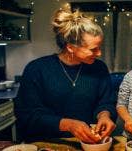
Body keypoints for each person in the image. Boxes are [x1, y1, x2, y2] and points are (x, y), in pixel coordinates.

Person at [14, 5, 116, 143]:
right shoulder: (36, 69)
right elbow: (27, 115)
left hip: (88, 144)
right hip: (46, 142)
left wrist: (105, 115)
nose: (99, 53)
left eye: (100, 47)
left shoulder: (99, 68)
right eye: (93, 49)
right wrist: (68, 125)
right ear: (70, 47)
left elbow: (106, 101)